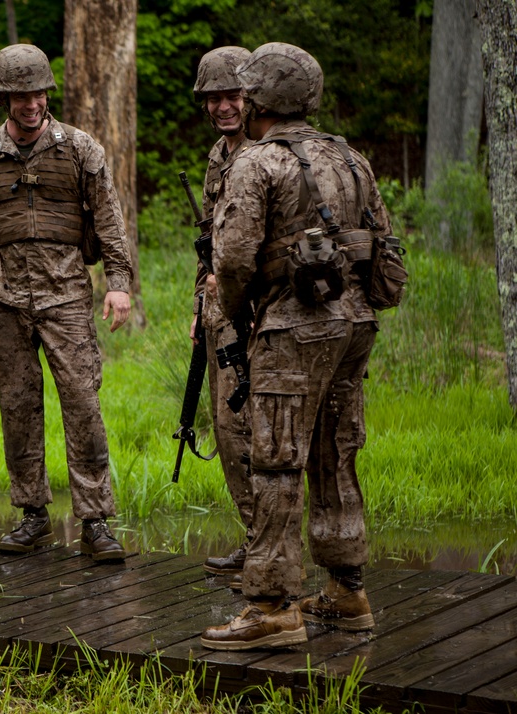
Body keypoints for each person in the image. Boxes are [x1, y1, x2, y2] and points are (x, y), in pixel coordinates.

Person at [201, 42, 390, 650]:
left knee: (276, 461)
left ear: (259, 98)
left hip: (291, 328)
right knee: (337, 452)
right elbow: (382, 243)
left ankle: (272, 606)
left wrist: (236, 312)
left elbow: (231, 259)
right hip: (355, 325)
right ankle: (346, 587)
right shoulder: (352, 159)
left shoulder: (258, 163)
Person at [0, 44, 134, 562]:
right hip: (0, 294)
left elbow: (109, 217)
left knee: (83, 403)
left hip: (66, 291)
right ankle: (32, 515)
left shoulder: (81, 149)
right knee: (17, 405)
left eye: (38, 92)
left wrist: (119, 281)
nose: (30, 103)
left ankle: (95, 520)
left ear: (48, 92)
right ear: (4, 97)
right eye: (20, 95)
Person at [189, 46, 255, 584]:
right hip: (219, 315)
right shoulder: (218, 155)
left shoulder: (267, 151)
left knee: (253, 431)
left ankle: (269, 548)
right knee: (228, 430)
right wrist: (200, 304)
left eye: (232, 95)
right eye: (214, 98)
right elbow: (209, 243)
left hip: (259, 314)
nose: (224, 106)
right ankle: (256, 537)